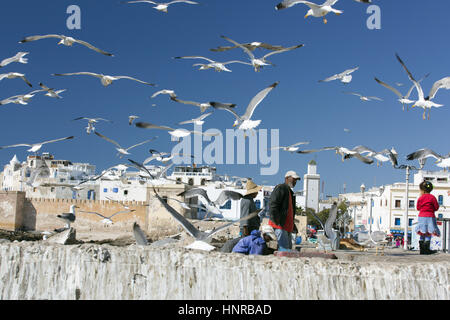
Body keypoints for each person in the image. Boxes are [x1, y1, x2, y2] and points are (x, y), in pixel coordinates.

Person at [268, 170, 300, 251]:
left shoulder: (290, 192)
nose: (295, 181)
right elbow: (273, 204)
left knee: (287, 250)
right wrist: (277, 221)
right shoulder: (281, 188)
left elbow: (289, 211)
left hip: (287, 227)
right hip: (280, 226)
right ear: (287, 178)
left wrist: (293, 225)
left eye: (296, 180)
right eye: (294, 179)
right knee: (285, 251)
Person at [415, 181, 440, 255]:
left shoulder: (421, 198)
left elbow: (418, 207)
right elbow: (436, 207)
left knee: (422, 232)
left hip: (421, 216)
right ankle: (427, 249)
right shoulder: (432, 197)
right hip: (430, 216)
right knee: (429, 232)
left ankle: (422, 250)